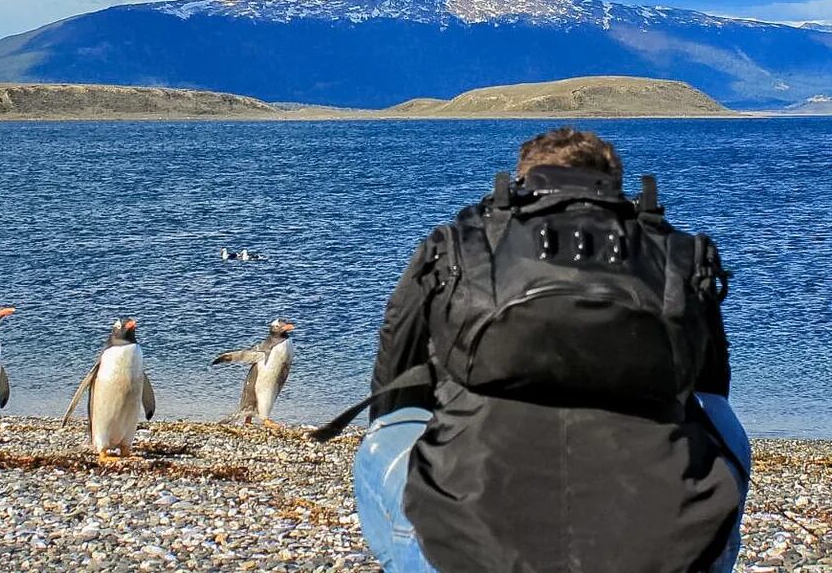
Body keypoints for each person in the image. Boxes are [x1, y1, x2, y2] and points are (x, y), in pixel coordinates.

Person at [318, 128, 751, 572]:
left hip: (462, 540)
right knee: (718, 419)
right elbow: (712, 388)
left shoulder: (459, 244)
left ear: (523, 180)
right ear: (615, 184)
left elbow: (394, 382)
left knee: (388, 429)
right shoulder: (674, 253)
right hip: (663, 549)